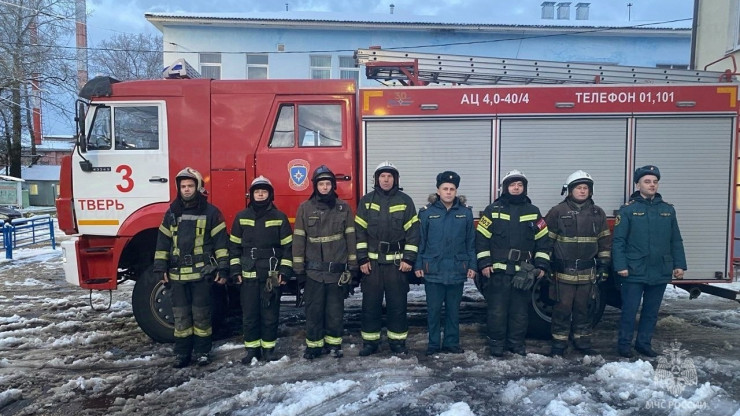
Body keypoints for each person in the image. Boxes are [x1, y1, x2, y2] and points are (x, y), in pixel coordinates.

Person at [153, 167, 229, 368]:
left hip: (202, 274)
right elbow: (163, 243)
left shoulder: (211, 212)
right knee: (181, 316)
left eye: (190, 185)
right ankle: (182, 353)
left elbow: (221, 243)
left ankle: (203, 352)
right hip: (177, 276)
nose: (186, 189)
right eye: (183, 186)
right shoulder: (171, 213)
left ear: (198, 187)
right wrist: (161, 268)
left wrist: (223, 268)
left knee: (202, 315)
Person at [475, 170, 551, 357]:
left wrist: (541, 265)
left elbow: (543, 240)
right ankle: (496, 345)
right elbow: (481, 238)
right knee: (497, 311)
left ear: (524, 188)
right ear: (505, 188)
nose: (516, 188)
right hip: (497, 271)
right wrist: (484, 263)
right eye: (512, 185)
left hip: (523, 272)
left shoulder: (533, 212)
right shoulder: (492, 210)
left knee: (520, 312)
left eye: (519, 185)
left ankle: (516, 344)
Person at [613, 165, 686, 358]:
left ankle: (643, 344)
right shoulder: (628, 210)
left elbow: (675, 239)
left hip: (659, 269)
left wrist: (679, 264)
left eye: (655, 182)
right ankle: (624, 345)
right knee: (629, 310)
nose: (652, 185)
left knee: (651, 312)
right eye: (647, 181)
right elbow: (619, 240)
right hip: (634, 269)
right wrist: (620, 265)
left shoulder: (667, 210)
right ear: (638, 184)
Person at [354, 161, 420, 356]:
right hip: (372, 265)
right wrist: (362, 259)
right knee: (370, 305)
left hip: (397, 265)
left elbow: (413, 233)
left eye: (389, 176)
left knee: (397, 305)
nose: (386, 179)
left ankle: (397, 342)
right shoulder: (366, 201)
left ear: (395, 179)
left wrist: (408, 259)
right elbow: (359, 233)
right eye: (382, 176)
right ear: (376, 179)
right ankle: (370, 343)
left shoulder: (405, 201)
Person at [292, 165, 357, 360]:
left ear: (333, 186)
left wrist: (352, 267)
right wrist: (299, 271)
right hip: (313, 273)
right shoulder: (305, 208)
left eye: (328, 183)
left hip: (337, 273)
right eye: (321, 184)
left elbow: (351, 238)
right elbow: (298, 240)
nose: (325, 187)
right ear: (315, 186)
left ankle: (334, 345)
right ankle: (313, 346)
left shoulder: (343, 208)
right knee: (313, 311)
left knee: (335, 311)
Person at [545, 170, 612, 357]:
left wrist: (604, 266)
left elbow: (604, 242)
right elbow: (546, 241)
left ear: (590, 191)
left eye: (585, 188)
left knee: (584, 309)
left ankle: (582, 342)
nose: (582, 191)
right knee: (562, 308)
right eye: (578, 188)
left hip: (587, 273)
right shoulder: (557, 212)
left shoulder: (598, 213)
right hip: (563, 273)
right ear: (569, 190)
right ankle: (559, 344)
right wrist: (547, 264)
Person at [229, 176, 293, 364]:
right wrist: (235, 270)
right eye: (257, 191)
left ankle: (268, 350)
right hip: (248, 275)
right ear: (252, 194)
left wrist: (285, 271)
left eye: (264, 191)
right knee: (250, 315)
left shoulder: (279, 217)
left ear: (270, 194)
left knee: (270, 314)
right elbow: (234, 247)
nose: (260, 194)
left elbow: (288, 247)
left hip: (271, 276)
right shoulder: (242, 217)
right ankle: (251, 350)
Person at [415, 171, 476, 356]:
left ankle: (451, 343)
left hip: (457, 269)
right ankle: (433, 344)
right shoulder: (427, 213)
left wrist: (472, 265)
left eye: (452, 189)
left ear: (456, 191)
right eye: (445, 189)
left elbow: (471, 243)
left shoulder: (465, 213)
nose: (448, 192)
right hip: (433, 269)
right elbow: (420, 241)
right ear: (438, 190)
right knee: (433, 312)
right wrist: (418, 265)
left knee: (453, 311)